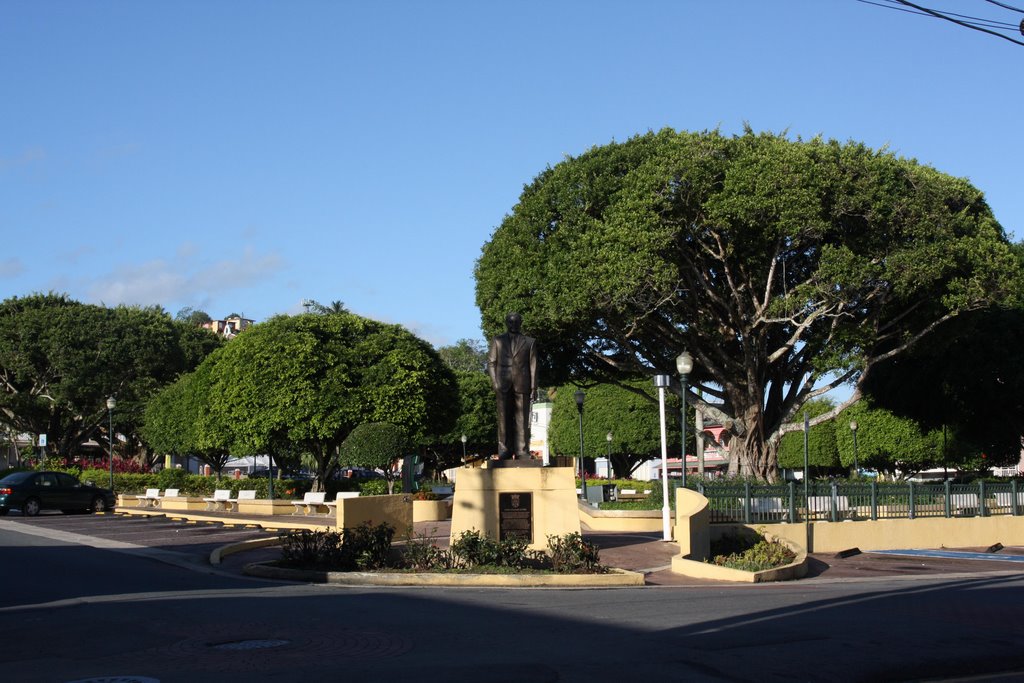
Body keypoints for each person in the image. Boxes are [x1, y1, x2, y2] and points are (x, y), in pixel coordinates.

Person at [487, 312, 537, 460]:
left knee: (522, 419)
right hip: (502, 385)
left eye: (516, 322)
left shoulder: (530, 342)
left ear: (520, 323)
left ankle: (522, 450)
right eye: (510, 322)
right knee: (503, 419)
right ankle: (504, 449)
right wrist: (495, 383)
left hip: (523, 384)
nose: (513, 325)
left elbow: (533, 365)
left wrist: (534, 387)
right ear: (506, 323)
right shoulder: (498, 341)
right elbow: (491, 363)